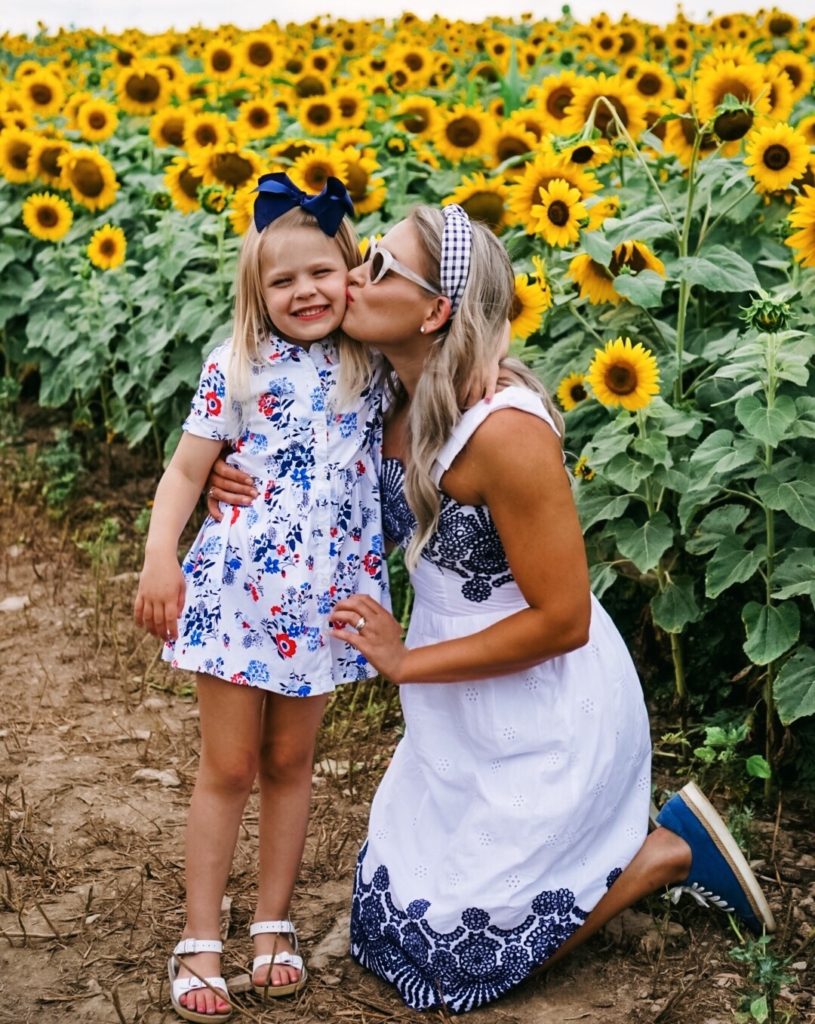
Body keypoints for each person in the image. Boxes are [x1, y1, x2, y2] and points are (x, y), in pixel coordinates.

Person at [210, 204, 775, 1015]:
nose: (352, 278)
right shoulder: (382, 394)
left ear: (434, 310)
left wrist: (405, 662)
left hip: (543, 706)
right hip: (454, 715)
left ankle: (662, 853)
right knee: (384, 937)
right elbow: (276, 437)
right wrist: (222, 472)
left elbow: (562, 620)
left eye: (378, 268)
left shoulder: (503, 432)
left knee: (452, 975)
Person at [133, 173, 389, 1022]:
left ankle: (271, 924)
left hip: (325, 600)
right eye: (282, 281)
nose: (304, 291)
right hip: (240, 593)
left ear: (350, 272)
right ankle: (200, 936)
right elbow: (186, 469)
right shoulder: (235, 365)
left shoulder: (372, 363)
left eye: (322, 272)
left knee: (290, 764)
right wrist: (158, 555)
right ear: (257, 292)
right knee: (229, 767)